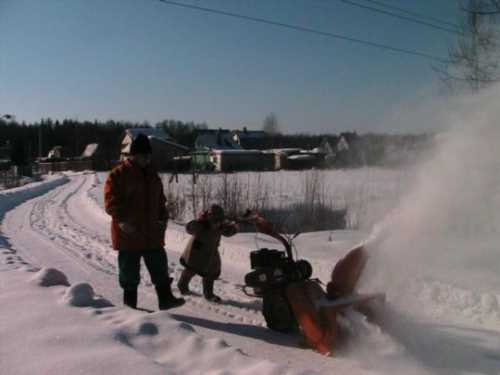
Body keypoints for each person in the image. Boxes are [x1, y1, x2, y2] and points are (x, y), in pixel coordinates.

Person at [104, 133, 185, 310]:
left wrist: (163, 217)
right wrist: (122, 220)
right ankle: (130, 306)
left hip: (152, 233)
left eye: (148, 155)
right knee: (129, 273)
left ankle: (165, 300)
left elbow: (160, 200)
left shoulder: (152, 175)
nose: (146, 159)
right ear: (132, 155)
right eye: (142, 155)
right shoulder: (118, 175)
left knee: (160, 268)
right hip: (129, 234)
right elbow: (110, 201)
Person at [177, 204, 238, 303]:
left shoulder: (220, 225)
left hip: (211, 251)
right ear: (210, 216)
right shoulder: (202, 224)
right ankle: (182, 285)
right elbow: (189, 228)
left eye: (219, 219)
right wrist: (199, 222)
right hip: (196, 251)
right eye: (215, 219)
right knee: (191, 269)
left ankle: (208, 294)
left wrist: (234, 227)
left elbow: (227, 232)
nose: (217, 222)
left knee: (212, 271)